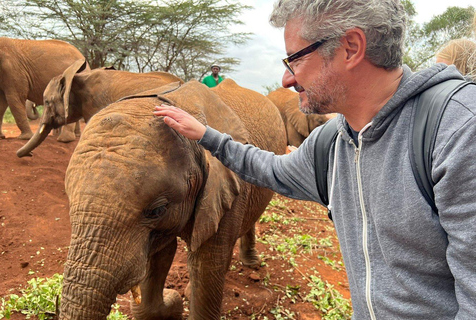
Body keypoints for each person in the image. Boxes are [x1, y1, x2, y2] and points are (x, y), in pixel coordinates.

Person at [154, 0, 476, 319]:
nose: (286, 80)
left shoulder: (457, 129)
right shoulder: (333, 142)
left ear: (351, 47)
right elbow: (271, 169)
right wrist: (207, 136)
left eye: (295, 59)